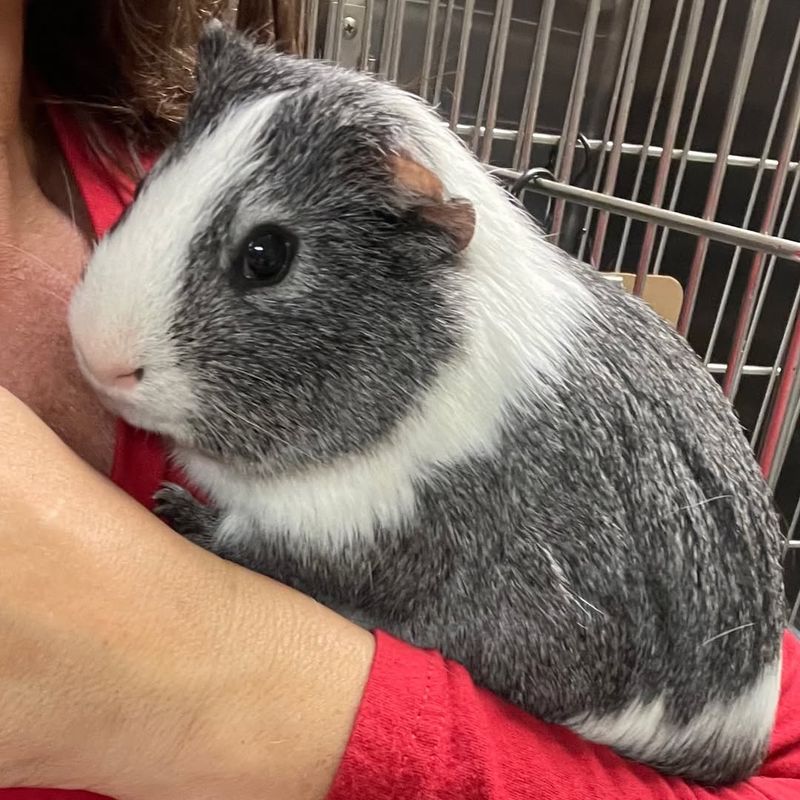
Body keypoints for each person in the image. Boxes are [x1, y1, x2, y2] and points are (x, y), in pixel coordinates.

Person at [1, 1, 799, 798]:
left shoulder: (456, 431)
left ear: (419, 229)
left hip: (640, 720)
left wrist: (234, 689)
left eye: (265, 258)